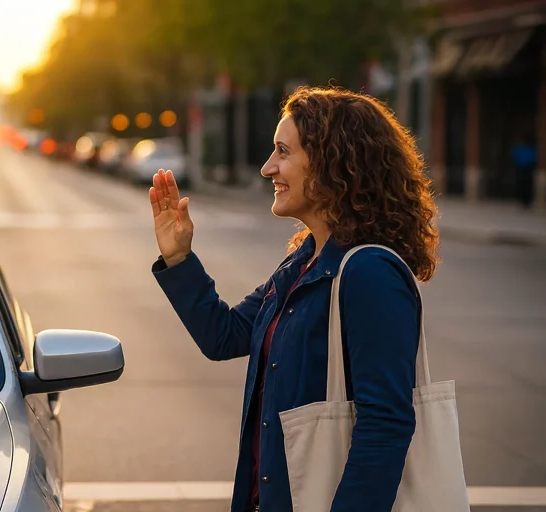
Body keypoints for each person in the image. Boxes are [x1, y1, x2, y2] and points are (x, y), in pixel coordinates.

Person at [149, 86, 440, 511]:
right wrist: (178, 257)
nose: (268, 168)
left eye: (283, 152)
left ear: (333, 162)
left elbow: (386, 425)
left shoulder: (369, 274)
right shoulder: (303, 262)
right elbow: (224, 336)